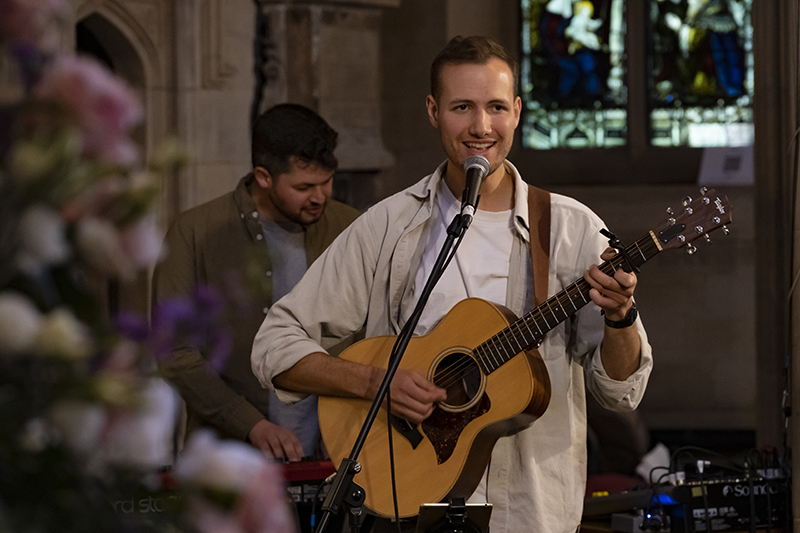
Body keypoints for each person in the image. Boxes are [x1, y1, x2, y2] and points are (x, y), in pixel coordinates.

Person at [251, 37, 652, 532]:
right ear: (433, 110)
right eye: (462, 107)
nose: (481, 127)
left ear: (518, 112)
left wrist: (621, 318)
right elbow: (274, 344)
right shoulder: (389, 227)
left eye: (496, 107)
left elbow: (620, 393)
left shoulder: (572, 230)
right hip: (408, 506)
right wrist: (378, 384)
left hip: (529, 514)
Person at [152, 103, 360, 462]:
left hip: (336, 457)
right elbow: (175, 352)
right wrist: (250, 424)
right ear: (263, 177)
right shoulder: (195, 232)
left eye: (327, 182)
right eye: (304, 186)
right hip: (227, 459)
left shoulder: (352, 227)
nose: (320, 196)